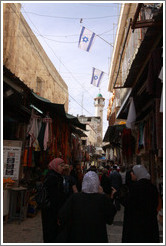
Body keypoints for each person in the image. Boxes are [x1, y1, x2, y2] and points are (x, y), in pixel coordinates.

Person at [57, 171, 117, 243]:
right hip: (97, 237)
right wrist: (103, 194)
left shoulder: (75, 198)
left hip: (77, 236)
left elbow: (62, 215)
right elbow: (110, 218)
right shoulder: (102, 199)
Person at [122, 164, 160, 243]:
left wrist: (117, 196)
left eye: (133, 172)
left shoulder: (135, 188)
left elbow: (129, 203)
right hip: (150, 224)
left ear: (138, 174)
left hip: (137, 225)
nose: (131, 174)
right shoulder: (152, 187)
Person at [41, 158, 66, 243]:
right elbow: (54, 197)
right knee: (52, 232)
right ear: (55, 166)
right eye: (61, 166)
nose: (63, 168)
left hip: (50, 210)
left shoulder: (53, 175)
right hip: (51, 210)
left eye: (63, 166)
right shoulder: (53, 178)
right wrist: (59, 213)